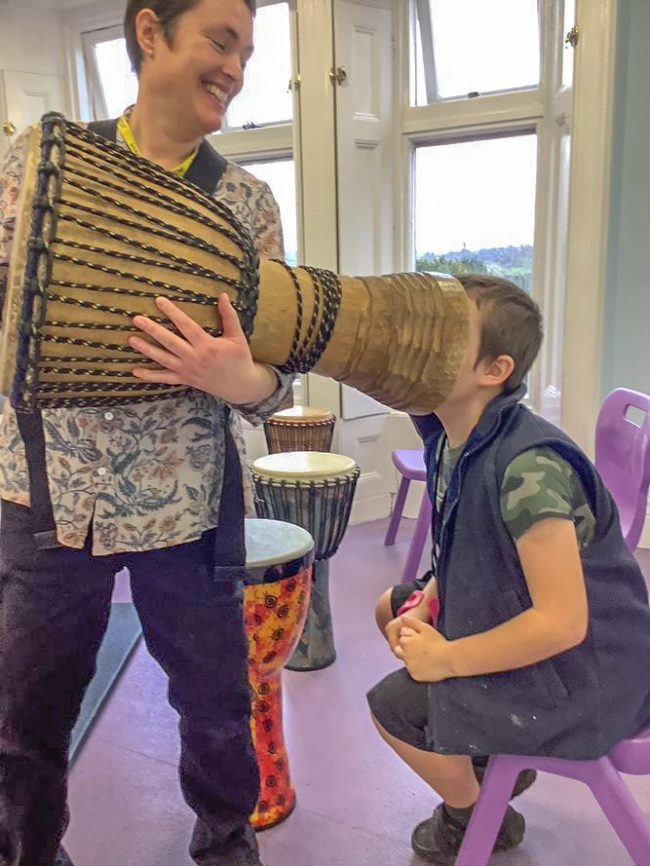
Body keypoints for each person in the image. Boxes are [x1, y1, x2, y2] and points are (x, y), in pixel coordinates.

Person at [0, 2, 294, 865]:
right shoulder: (38, 162)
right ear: (149, 30)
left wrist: (237, 379)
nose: (236, 67)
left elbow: (279, 375)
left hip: (188, 502)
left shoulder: (246, 202)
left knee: (214, 703)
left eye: (245, 50)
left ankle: (225, 839)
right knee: (27, 711)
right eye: (220, 40)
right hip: (46, 493)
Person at [367, 273, 650, 865]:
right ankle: (483, 760)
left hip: (588, 673)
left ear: (493, 371)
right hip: (540, 635)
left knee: (392, 707)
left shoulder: (530, 470)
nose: (420, 339)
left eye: (443, 333)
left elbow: (562, 624)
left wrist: (446, 659)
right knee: (392, 608)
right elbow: (469, 540)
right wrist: (431, 597)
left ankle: (476, 816)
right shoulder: (453, 437)